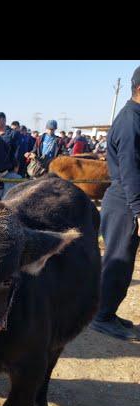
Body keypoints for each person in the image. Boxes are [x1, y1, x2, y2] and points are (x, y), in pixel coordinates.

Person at [90, 66, 140, 340]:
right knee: (118, 261)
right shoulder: (131, 121)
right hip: (125, 203)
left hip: (126, 201)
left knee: (122, 263)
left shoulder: (135, 116)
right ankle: (101, 316)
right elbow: (131, 169)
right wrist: (139, 209)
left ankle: (108, 310)